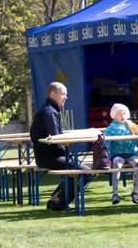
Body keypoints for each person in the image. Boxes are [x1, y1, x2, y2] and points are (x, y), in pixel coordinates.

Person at [30, 82, 92, 211]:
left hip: (50, 155)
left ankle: (56, 199)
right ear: (53, 94)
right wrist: (69, 148)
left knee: (81, 169)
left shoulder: (50, 109)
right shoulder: (49, 112)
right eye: (63, 94)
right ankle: (58, 202)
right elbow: (56, 138)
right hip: (48, 157)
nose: (66, 97)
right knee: (85, 172)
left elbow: (55, 136)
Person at [105, 103, 138, 205]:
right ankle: (115, 193)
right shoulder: (110, 128)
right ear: (114, 115)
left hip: (132, 153)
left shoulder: (132, 126)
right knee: (117, 164)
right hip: (117, 154)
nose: (122, 116)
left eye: (124, 113)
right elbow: (106, 144)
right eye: (119, 114)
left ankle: (135, 192)